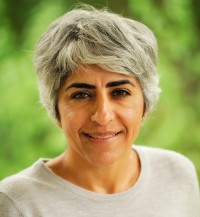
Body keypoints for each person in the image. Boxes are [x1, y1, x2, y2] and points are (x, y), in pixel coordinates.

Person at [0, 4, 199, 217]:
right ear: (55, 108)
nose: (103, 116)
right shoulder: (16, 202)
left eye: (120, 92)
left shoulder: (177, 174)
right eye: (81, 95)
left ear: (146, 103)